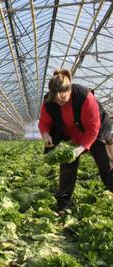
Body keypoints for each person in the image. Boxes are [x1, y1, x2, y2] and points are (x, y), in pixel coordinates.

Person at [38, 69, 113, 215]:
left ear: (70, 89)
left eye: (63, 97)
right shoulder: (49, 101)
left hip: (97, 132)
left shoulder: (85, 97)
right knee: (67, 168)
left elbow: (93, 128)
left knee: (107, 166)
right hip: (70, 135)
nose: (59, 100)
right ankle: (64, 205)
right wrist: (46, 134)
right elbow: (44, 122)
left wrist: (80, 149)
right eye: (56, 98)